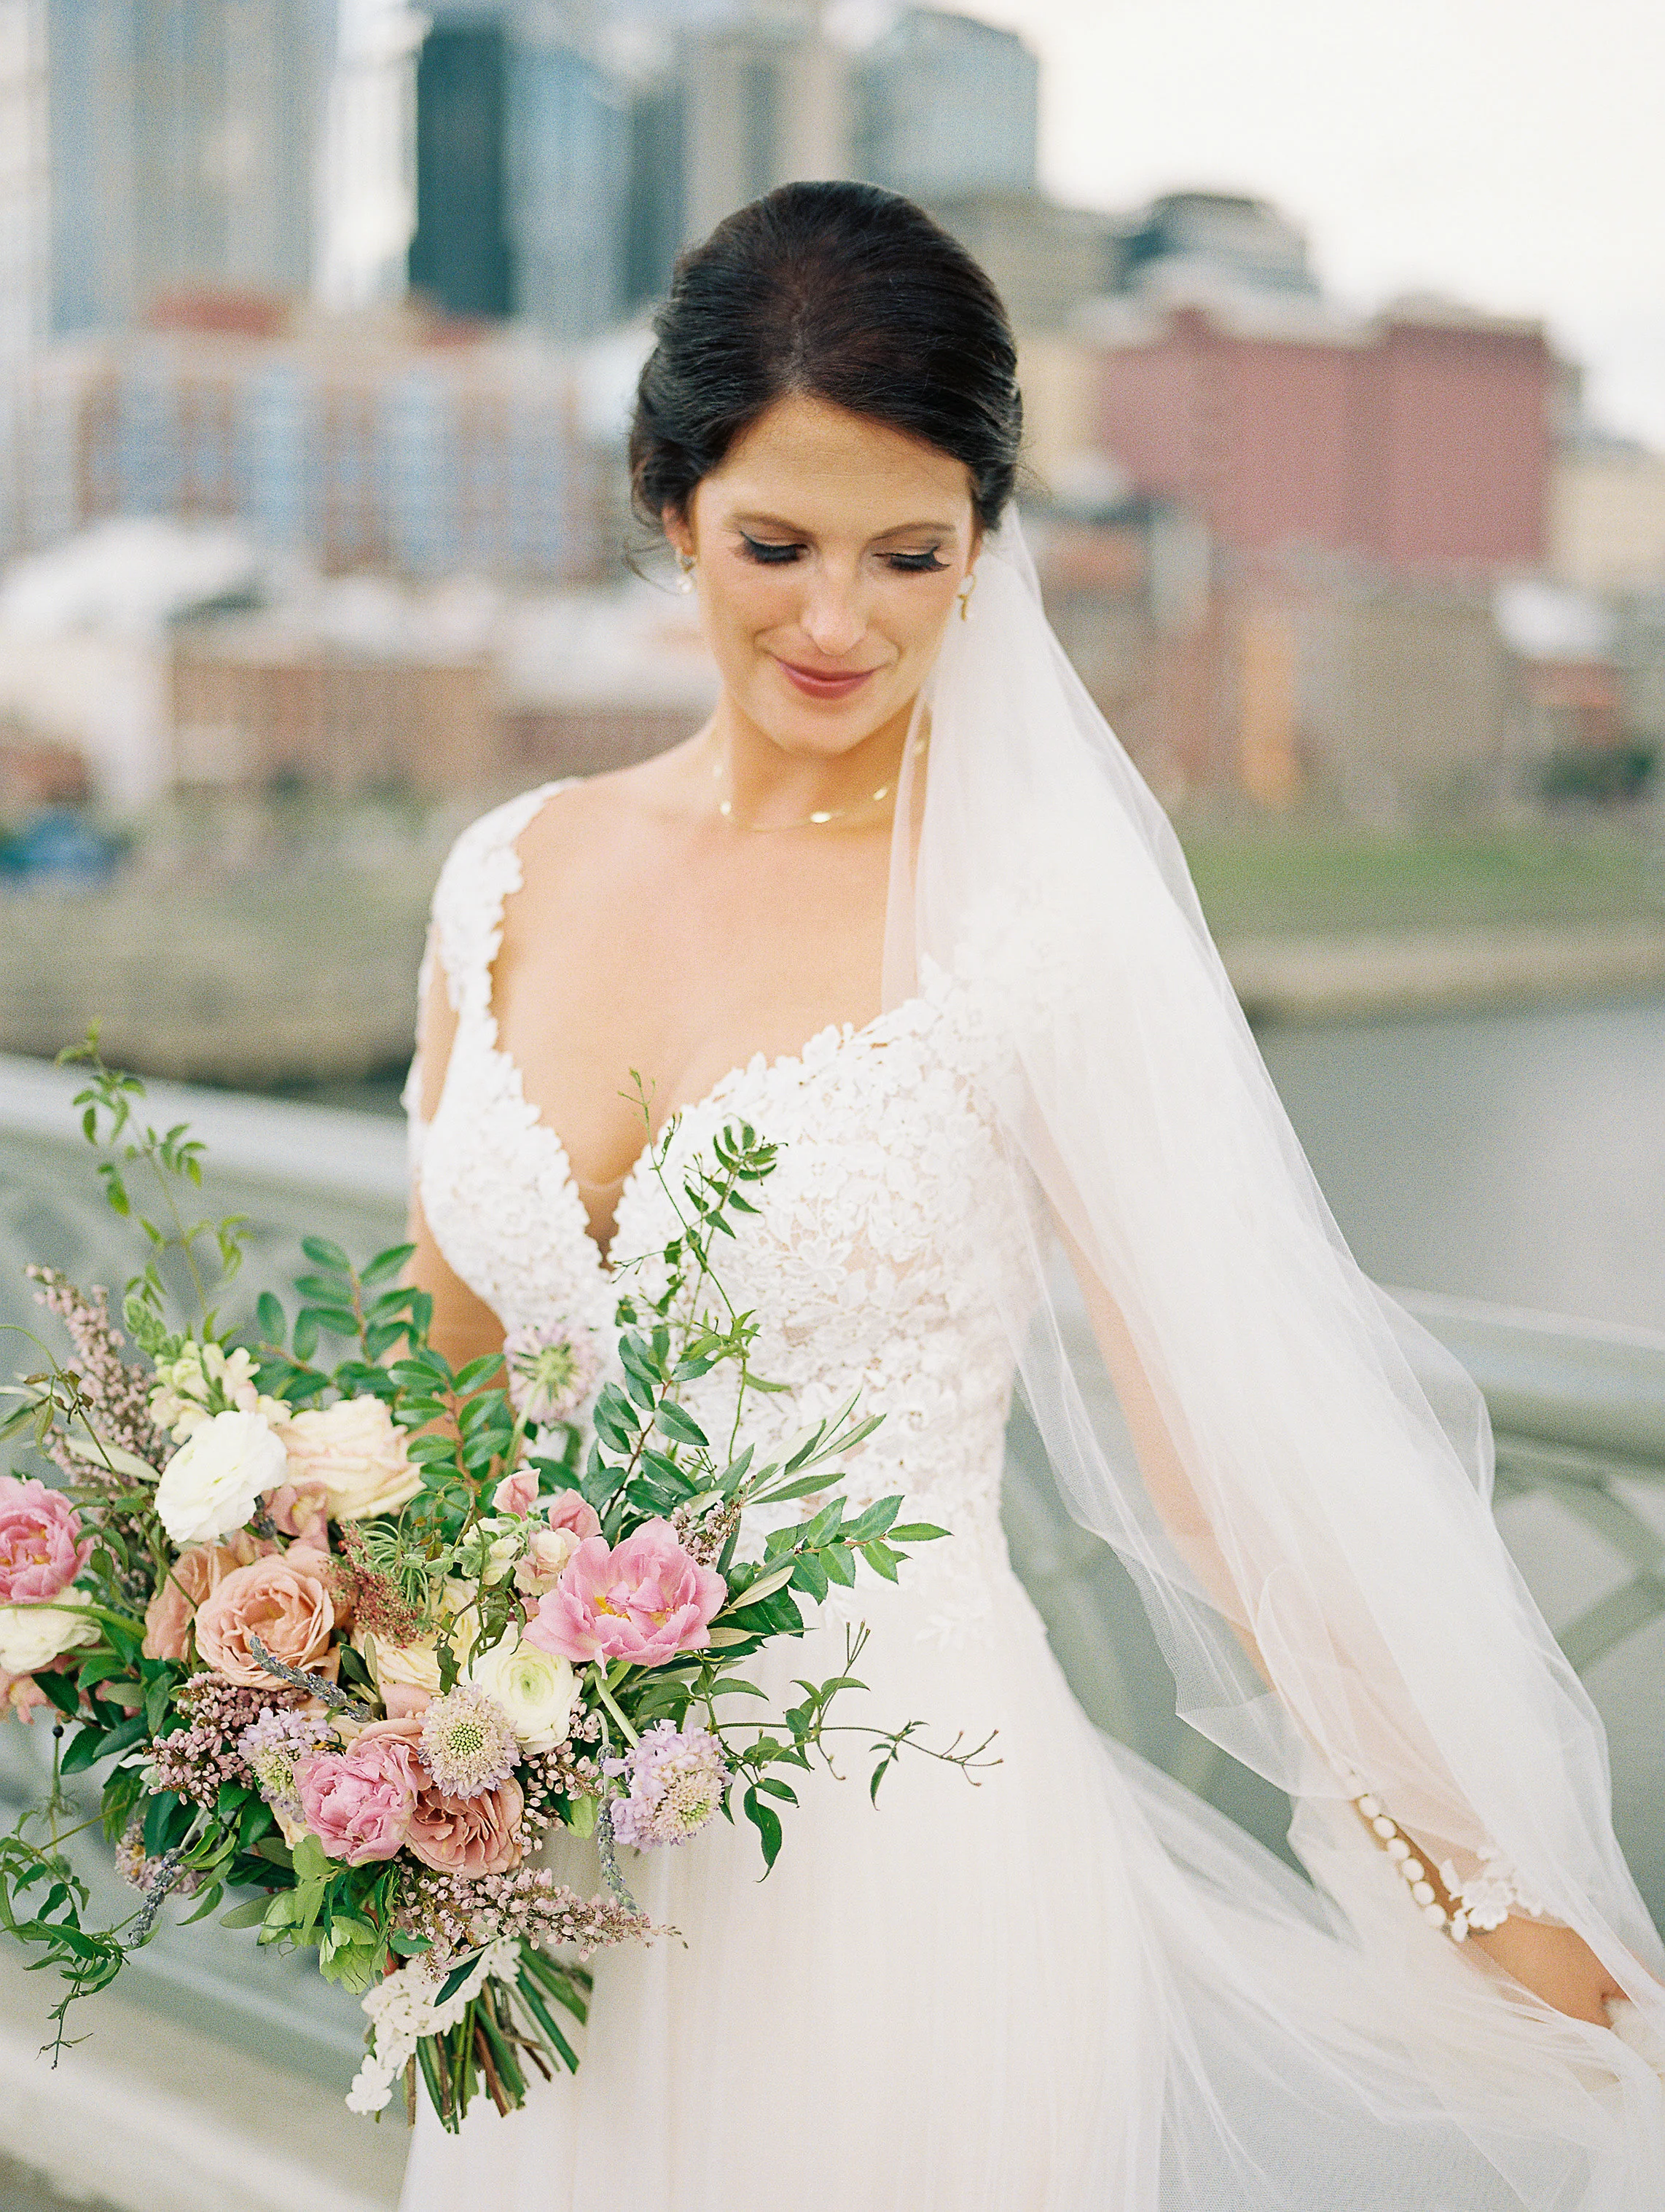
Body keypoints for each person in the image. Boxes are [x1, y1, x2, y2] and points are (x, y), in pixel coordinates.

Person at [398, 182, 1664, 2210]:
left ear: (989, 544)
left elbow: (1219, 1466)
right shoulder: (507, 876)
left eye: (911, 555)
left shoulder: (1030, 926)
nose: (838, 622)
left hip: (905, 1864)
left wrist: (1483, 1898)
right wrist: (309, 1683)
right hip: (543, 1882)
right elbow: (439, 1377)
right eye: (776, 547)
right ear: (665, 504)